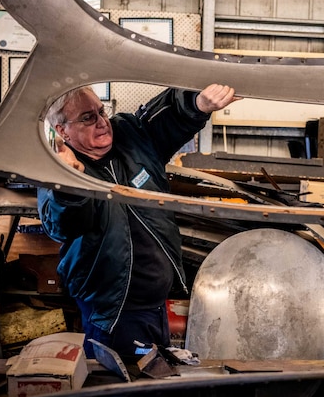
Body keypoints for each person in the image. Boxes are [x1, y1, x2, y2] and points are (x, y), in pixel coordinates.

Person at [37, 83, 238, 363]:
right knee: (120, 388)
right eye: (87, 117)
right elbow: (63, 226)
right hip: (113, 312)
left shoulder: (131, 136)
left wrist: (197, 102)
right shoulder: (57, 170)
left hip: (155, 306)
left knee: (155, 377)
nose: (102, 122)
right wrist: (69, 186)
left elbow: (167, 114)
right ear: (62, 131)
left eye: (101, 111)